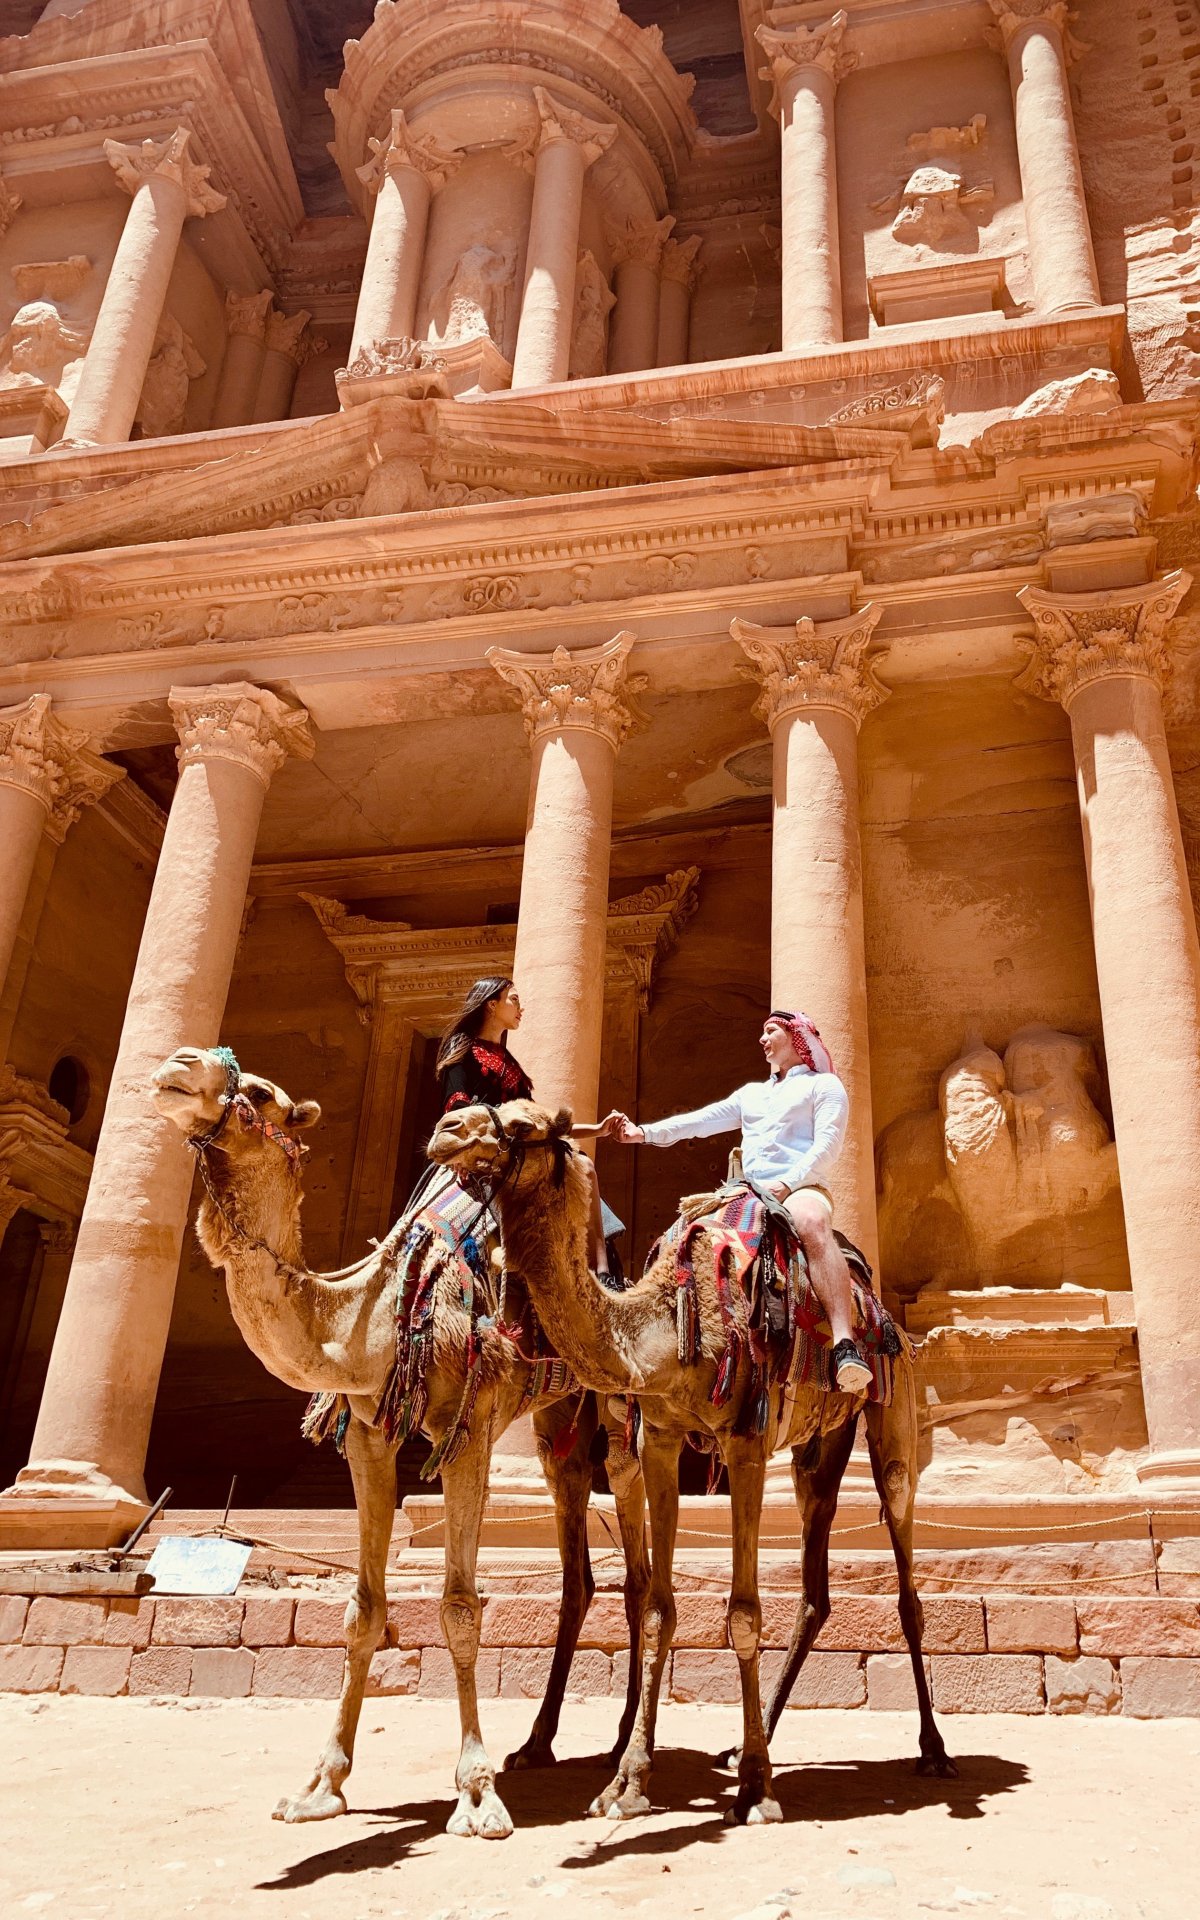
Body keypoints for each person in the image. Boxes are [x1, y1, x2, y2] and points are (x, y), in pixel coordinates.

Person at [609, 1010, 873, 1394]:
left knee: (812, 1223)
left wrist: (789, 1183)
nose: (762, 1039)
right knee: (680, 1237)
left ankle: (844, 1343)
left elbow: (828, 1146)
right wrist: (643, 1134)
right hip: (745, 1191)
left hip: (800, 1186)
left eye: (771, 1031)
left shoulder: (824, 1085)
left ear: (797, 1036)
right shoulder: (752, 1094)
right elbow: (700, 1121)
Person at [434, 976, 619, 1279]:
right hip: (483, 1150)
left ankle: (603, 1272)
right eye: (514, 999)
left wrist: (598, 1129)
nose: (521, 1008)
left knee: (583, 1165)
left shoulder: (511, 1064)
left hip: (521, 1151)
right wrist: (464, 1150)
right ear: (491, 1004)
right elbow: (457, 1106)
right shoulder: (462, 1048)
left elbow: (540, 1123)